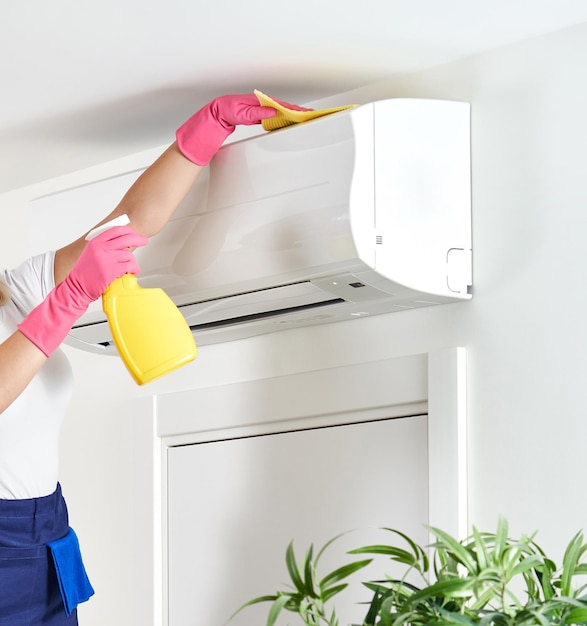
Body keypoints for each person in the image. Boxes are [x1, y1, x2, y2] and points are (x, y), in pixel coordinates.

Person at [0, 92, 304, 625]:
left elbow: (126, 226)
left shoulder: (12, 292)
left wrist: (208, 129)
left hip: (46, 530)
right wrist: (68, 300)